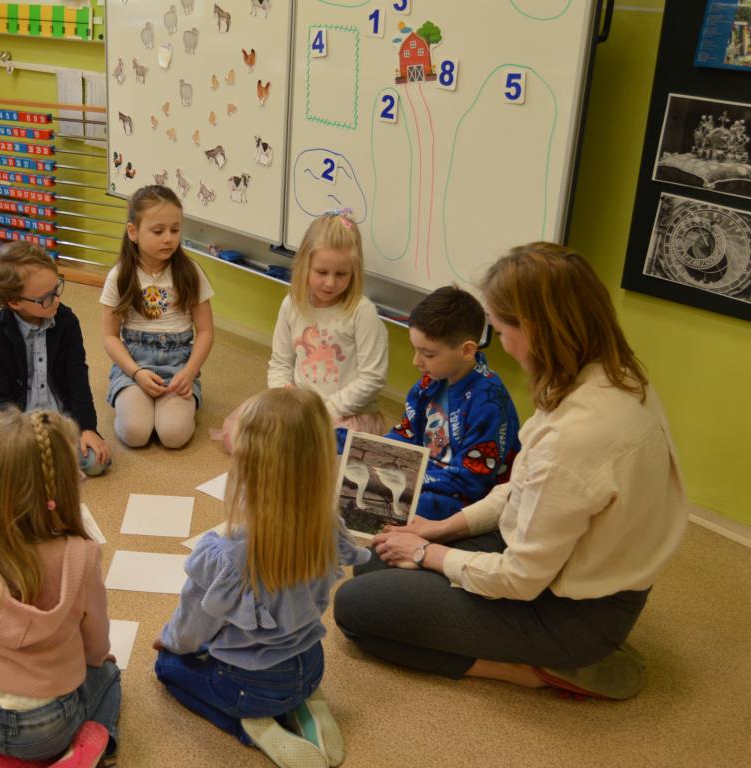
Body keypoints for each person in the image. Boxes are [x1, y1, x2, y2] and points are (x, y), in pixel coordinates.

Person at [334, 243, 686, 700]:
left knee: (355, 611)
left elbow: (520, 577)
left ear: (534, 330)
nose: (499, 342)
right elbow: (521, 486)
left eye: (500, 331)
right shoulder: (606, 375)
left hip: (573, 614)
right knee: (373, 564)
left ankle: (531, 670)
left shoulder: (577, 435)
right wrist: (438, 530)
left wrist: (425, 553)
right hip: (556, 560)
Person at [154, 387, 367, 768]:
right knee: (267, 658)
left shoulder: (226, 553)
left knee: (167, 667)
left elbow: (193, 626)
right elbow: (316, 602)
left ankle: (251, 726)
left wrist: (169, 640)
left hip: (250, 688)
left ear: (248, 466)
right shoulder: (329, 528)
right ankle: (307, 703)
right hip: (310, 666)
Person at [0, 409, 120, 768]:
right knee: (110, 675)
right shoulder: (80, 555)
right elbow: (96, 637)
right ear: (63, 487)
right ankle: (84, 754)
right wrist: (97, 660)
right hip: (49, 728)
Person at [384, 285, 521, 520]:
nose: (416, 361)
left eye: (428, 354)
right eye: (415, 350)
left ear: (466, 350)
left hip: (467, 498)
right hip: (426, 478)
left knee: (401, 506)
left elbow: (471, 481)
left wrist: (412, 479)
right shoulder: (429, 383)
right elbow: (407, 435)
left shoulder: (489, 403)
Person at [0, 241, 111, 476]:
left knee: (96, 461)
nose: (57, 300)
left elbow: (77, 378)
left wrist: (87, 428)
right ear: (15, 302)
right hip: (17, 419)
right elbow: (0, 391)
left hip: (60, 417)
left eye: (56, 288)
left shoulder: (66, 321)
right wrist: (14, 434)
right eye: (46, 297)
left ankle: (41, 459)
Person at [100, 184, 214, 449]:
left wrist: (189, 372)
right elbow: (109, 336)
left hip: (177, 363)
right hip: (134, 361)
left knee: (174, 436)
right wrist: (136, 372)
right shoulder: (120, 275)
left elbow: (206, 331)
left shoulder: (190, 272)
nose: (168, 239)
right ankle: (134, 401)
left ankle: (170, 409)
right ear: (133, 232)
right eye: (158, 231)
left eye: (175, 229)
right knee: (135, 433)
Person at [267, 210, 388, 434]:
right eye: (321, 272)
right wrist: (285, 397)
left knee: (317, 450)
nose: (330, 283)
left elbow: (372, 379)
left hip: (347, 413)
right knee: (250, 434)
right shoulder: (291, 304)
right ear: (304, 266)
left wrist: (328, 410)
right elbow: (280, 364)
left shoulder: (363, 312)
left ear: (354, 272)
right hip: (301, 407)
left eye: (341, 274)